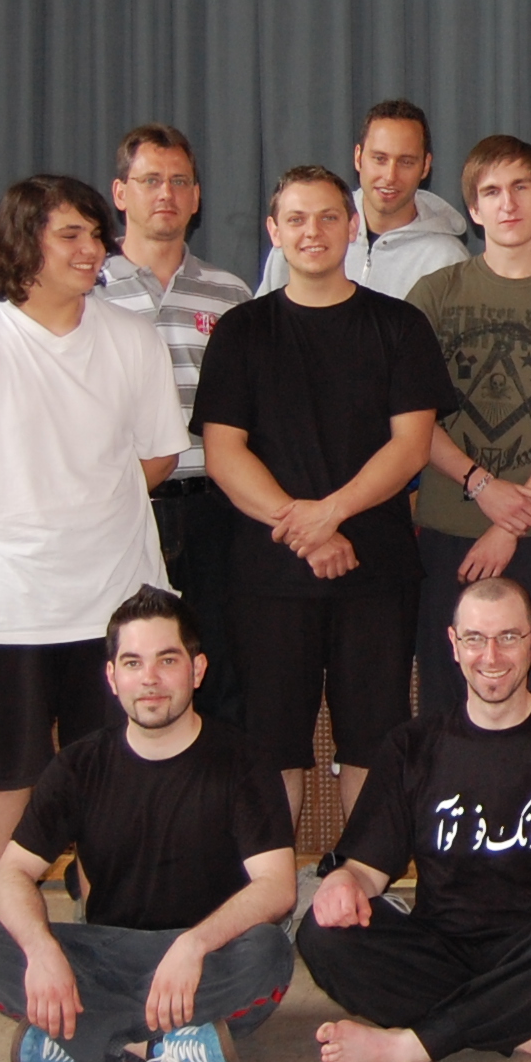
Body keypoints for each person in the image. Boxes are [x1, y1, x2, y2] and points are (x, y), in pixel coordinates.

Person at [0, 175, 188, 998]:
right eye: (72, 236)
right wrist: (4, 531)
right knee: (5, 774)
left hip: (113, 607)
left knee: (118, 774)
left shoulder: (131, 341)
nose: (92, 251)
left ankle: (113, 932)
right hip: (2, 613)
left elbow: (158, 456)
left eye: (97, 235)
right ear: (25, 242)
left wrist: (82, 516)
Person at [300, 577, 531, 1062]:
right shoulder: (412, 747)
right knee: (323, 933)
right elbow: (365, 870)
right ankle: (523, 1029)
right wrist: (343, 884)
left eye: (508, 637)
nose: (491, 656)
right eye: (475, 639)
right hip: (441, 949)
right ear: (453, 644)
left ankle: (411, 1045)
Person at [195, 166, 461, 823]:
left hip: (376, 572)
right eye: (296, 219)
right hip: (268, 576)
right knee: (271, 745)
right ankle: (272, 881)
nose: (311, 232)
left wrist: (331, 515)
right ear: (273, 231)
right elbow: (224, 453)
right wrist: (305, 529)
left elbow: (410, 447)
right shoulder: (241, 331)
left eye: (327, 217)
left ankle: (361, 876)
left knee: (373, 740)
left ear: (352, 226)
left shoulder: (399, 326)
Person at [0, 589, 297, 1062]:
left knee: (268, 952)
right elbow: (9, 875)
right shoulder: (79, 766)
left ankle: (79, 1037)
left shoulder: (243, 763)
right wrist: (41, 950)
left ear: (197, 670)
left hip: (204, 956)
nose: (150, 679)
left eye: (167, 660)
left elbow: (278, 887)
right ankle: (157, 1047)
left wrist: (194, 945)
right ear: (112, 676)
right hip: (104, 953)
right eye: (133, 663)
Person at [406, 134, 531, 716]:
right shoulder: (435, 295)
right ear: (473, 209)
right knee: (449, 706)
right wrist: (481, 486)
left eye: (521, 187)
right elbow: (412, 419)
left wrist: (512, 519)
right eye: (491, 191)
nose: (508, 203)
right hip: (447, 528)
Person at [97, 125, 256, 730]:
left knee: (217, 673)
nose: (165, 193)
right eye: (150, 180)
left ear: (196, 197)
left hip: (213, 511)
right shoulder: (87, 290)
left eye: (179, 181)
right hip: (121, 508)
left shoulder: (230, 294)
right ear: (120, 193)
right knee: (126, 674)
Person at [255, 99, 471, 297]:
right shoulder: (303, 238)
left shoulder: (447, 261)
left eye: (406, 162)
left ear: (425, 166)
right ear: (358, 157)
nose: (390, 176)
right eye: (379, 159)